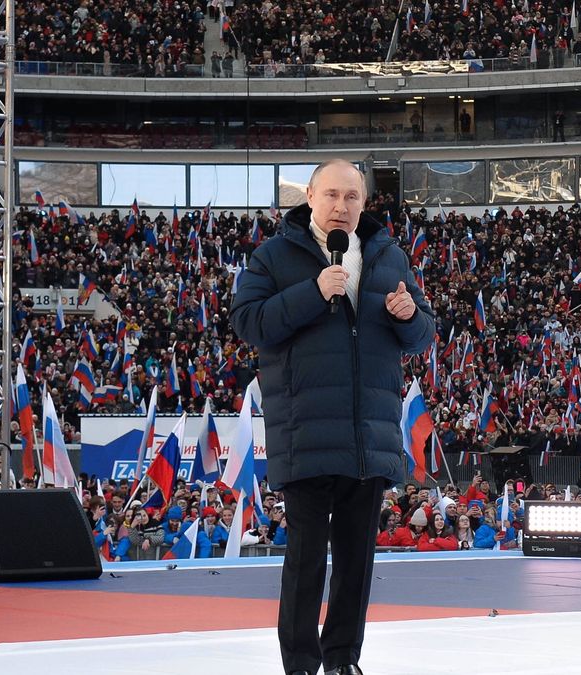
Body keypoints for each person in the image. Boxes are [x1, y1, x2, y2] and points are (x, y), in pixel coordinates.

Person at [231, 158, 436, 675]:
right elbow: (249, 324)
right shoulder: (273, 257)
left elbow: (424, 333)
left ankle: (342, 659)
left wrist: (410, 317)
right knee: (304, 559)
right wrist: (312, 292)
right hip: (306, 433)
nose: (341, 206)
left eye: (352, 197)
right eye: (331, 196)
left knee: (355, 560)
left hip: (368, 435)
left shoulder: (389, 257)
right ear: (310, 198)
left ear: (365, 202)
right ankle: (300, 662)